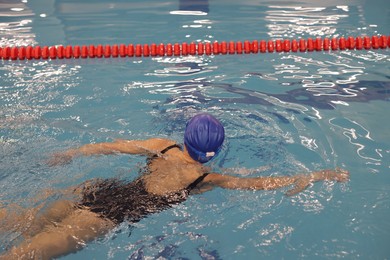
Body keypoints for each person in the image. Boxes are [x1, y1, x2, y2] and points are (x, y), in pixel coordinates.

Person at [0, 113, 349, 259]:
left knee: (22, 220)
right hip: (110, 215)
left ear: (185, 140)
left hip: (99, 189)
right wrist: (316, 176)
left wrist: (70, 152)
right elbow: (262, 184)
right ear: (215, 151)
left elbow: (111, 145)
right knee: (25, 254)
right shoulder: (206, 179)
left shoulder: (161, 145)